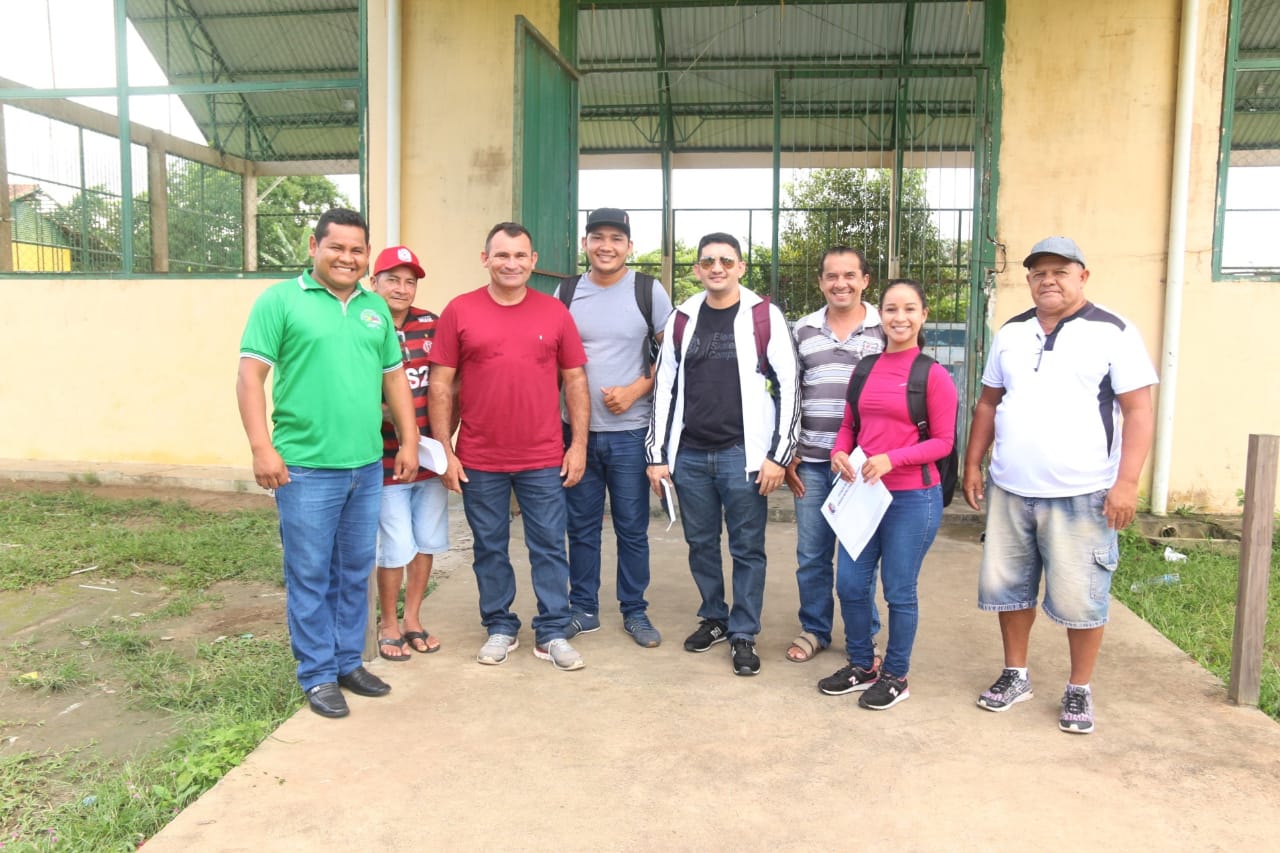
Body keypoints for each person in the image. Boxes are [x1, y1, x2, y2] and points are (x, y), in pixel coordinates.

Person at [964, 236, 1157, 734]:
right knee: (1010, 591)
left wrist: (1127, 483)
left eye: (1060, 271)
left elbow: (1138, 410)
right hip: (1010, 489)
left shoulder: (1113, 331)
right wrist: (972, 464)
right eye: (1038, 273)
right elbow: (988, 402)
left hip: (1084, 492)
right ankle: (1016, 673)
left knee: (1082, 597)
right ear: (1028, 280)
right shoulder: (1011, 332)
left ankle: (1078, 687)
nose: (1048, 280)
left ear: (1082, 277)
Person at [236, 208, 419, 719]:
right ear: (314, 246)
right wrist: (260, 447)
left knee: (354, 568)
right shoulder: (280, 301)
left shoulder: (374, 309)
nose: (347, 257)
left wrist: (408, 440)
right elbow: (250, 378)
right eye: (336, 247)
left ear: (366, 256)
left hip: (365, 465)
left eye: (357, 249)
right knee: (311, 571)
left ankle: (345, 661)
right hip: (305, 467)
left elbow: (394, 379)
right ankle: (316, 674)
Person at [427, 222, 591, 671]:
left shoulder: (555, 313)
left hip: (542, 456)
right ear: (486, 259)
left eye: (520, 255)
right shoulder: (460, 311)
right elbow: (441, 384)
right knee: (490, 546)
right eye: (502, 255)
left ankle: (553, 630)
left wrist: (577, 445)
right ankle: (500, 625)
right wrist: (445, 450)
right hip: (480, 457)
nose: (511, 263)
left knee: (549, 546)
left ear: (534, 261)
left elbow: (575, 380)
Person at [646, 232, 800, 677]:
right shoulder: (682, 317)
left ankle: (744, 632)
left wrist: (778, 454)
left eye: (726, 261)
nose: (717, 268)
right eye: (708, 261)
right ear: (697, 269)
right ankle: (714, 616)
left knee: (748, 547)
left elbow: (790, 384)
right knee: (701, 543)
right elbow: (664, 388)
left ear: (741, 268)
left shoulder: (763, 316)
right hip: (690, 455)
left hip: (743, 456)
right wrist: (656, 454)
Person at [819, 279, 956, 709]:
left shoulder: (932, 375)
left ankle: (897, 675)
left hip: (913, 499)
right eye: (891, 309)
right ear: (880, 315)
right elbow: (849, 425)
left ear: (923, 315)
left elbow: (944, 442)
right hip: (863, 496)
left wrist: (893, 460)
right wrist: (840, 450)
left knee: (899, 590)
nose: (900, 318)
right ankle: (863, 664)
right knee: (851, 585)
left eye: (909, 309)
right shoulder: (865, 369)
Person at [555, 208, 673, 648]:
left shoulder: (648, 291)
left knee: (631, 527)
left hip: (629, 434)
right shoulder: (566, 292)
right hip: (577, 434)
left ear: (629, 246)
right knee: (581, 526)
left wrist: (639, 388)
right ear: (585, 243)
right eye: (597, 237)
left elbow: (673, 355)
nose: (607, 246)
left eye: (616, 238)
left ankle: (635, 611)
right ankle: (583, 609)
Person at [785, 246, 886, 664]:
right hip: (811, 459)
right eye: (831, 276)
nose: (839, 283)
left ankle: (865, 635)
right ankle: (815, 628)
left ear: (865, 280)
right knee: (811, 554)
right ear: (820, 281)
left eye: (849, 275)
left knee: (859, 555)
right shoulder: (802, 330)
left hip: (863, 467)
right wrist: (787, 451)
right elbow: (789, 393)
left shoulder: (886, 327)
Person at [368, 245, 449, 661]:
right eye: (392, 280)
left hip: (430, 462)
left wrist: (440, 442)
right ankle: (388, 623)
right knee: (395, 544)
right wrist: (405, 439)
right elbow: (361, 395)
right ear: (373, 282)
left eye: (409, 281)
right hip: (384, 460)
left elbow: (448, 385)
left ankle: (413, 619)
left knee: (425, 541)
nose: (402, 288)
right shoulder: (363, 323)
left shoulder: (431, 325)